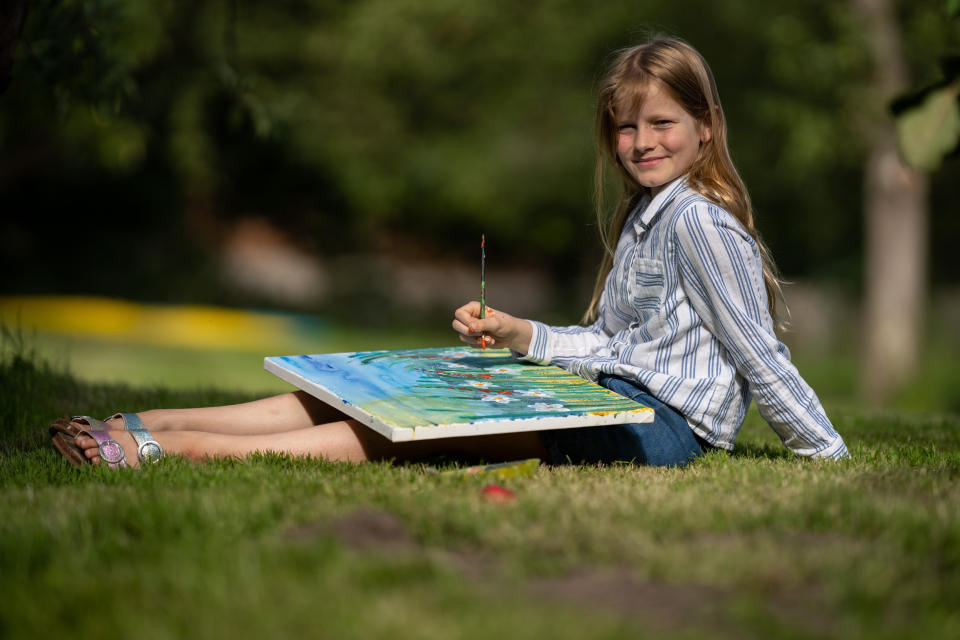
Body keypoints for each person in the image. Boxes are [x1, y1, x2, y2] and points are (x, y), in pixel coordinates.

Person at [50, 36, 848, 470]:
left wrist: (824, 450)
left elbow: (756, 351)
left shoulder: (699, 224)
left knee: (428, 426)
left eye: (662, 124)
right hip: (615, 394)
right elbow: (614, 344)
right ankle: (146, 419)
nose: (640, 143)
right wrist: (519, 334)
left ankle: (172, 448)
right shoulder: (649, 218)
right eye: (626, 128)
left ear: (705, 126)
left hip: (660, 428)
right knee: (379, 391)